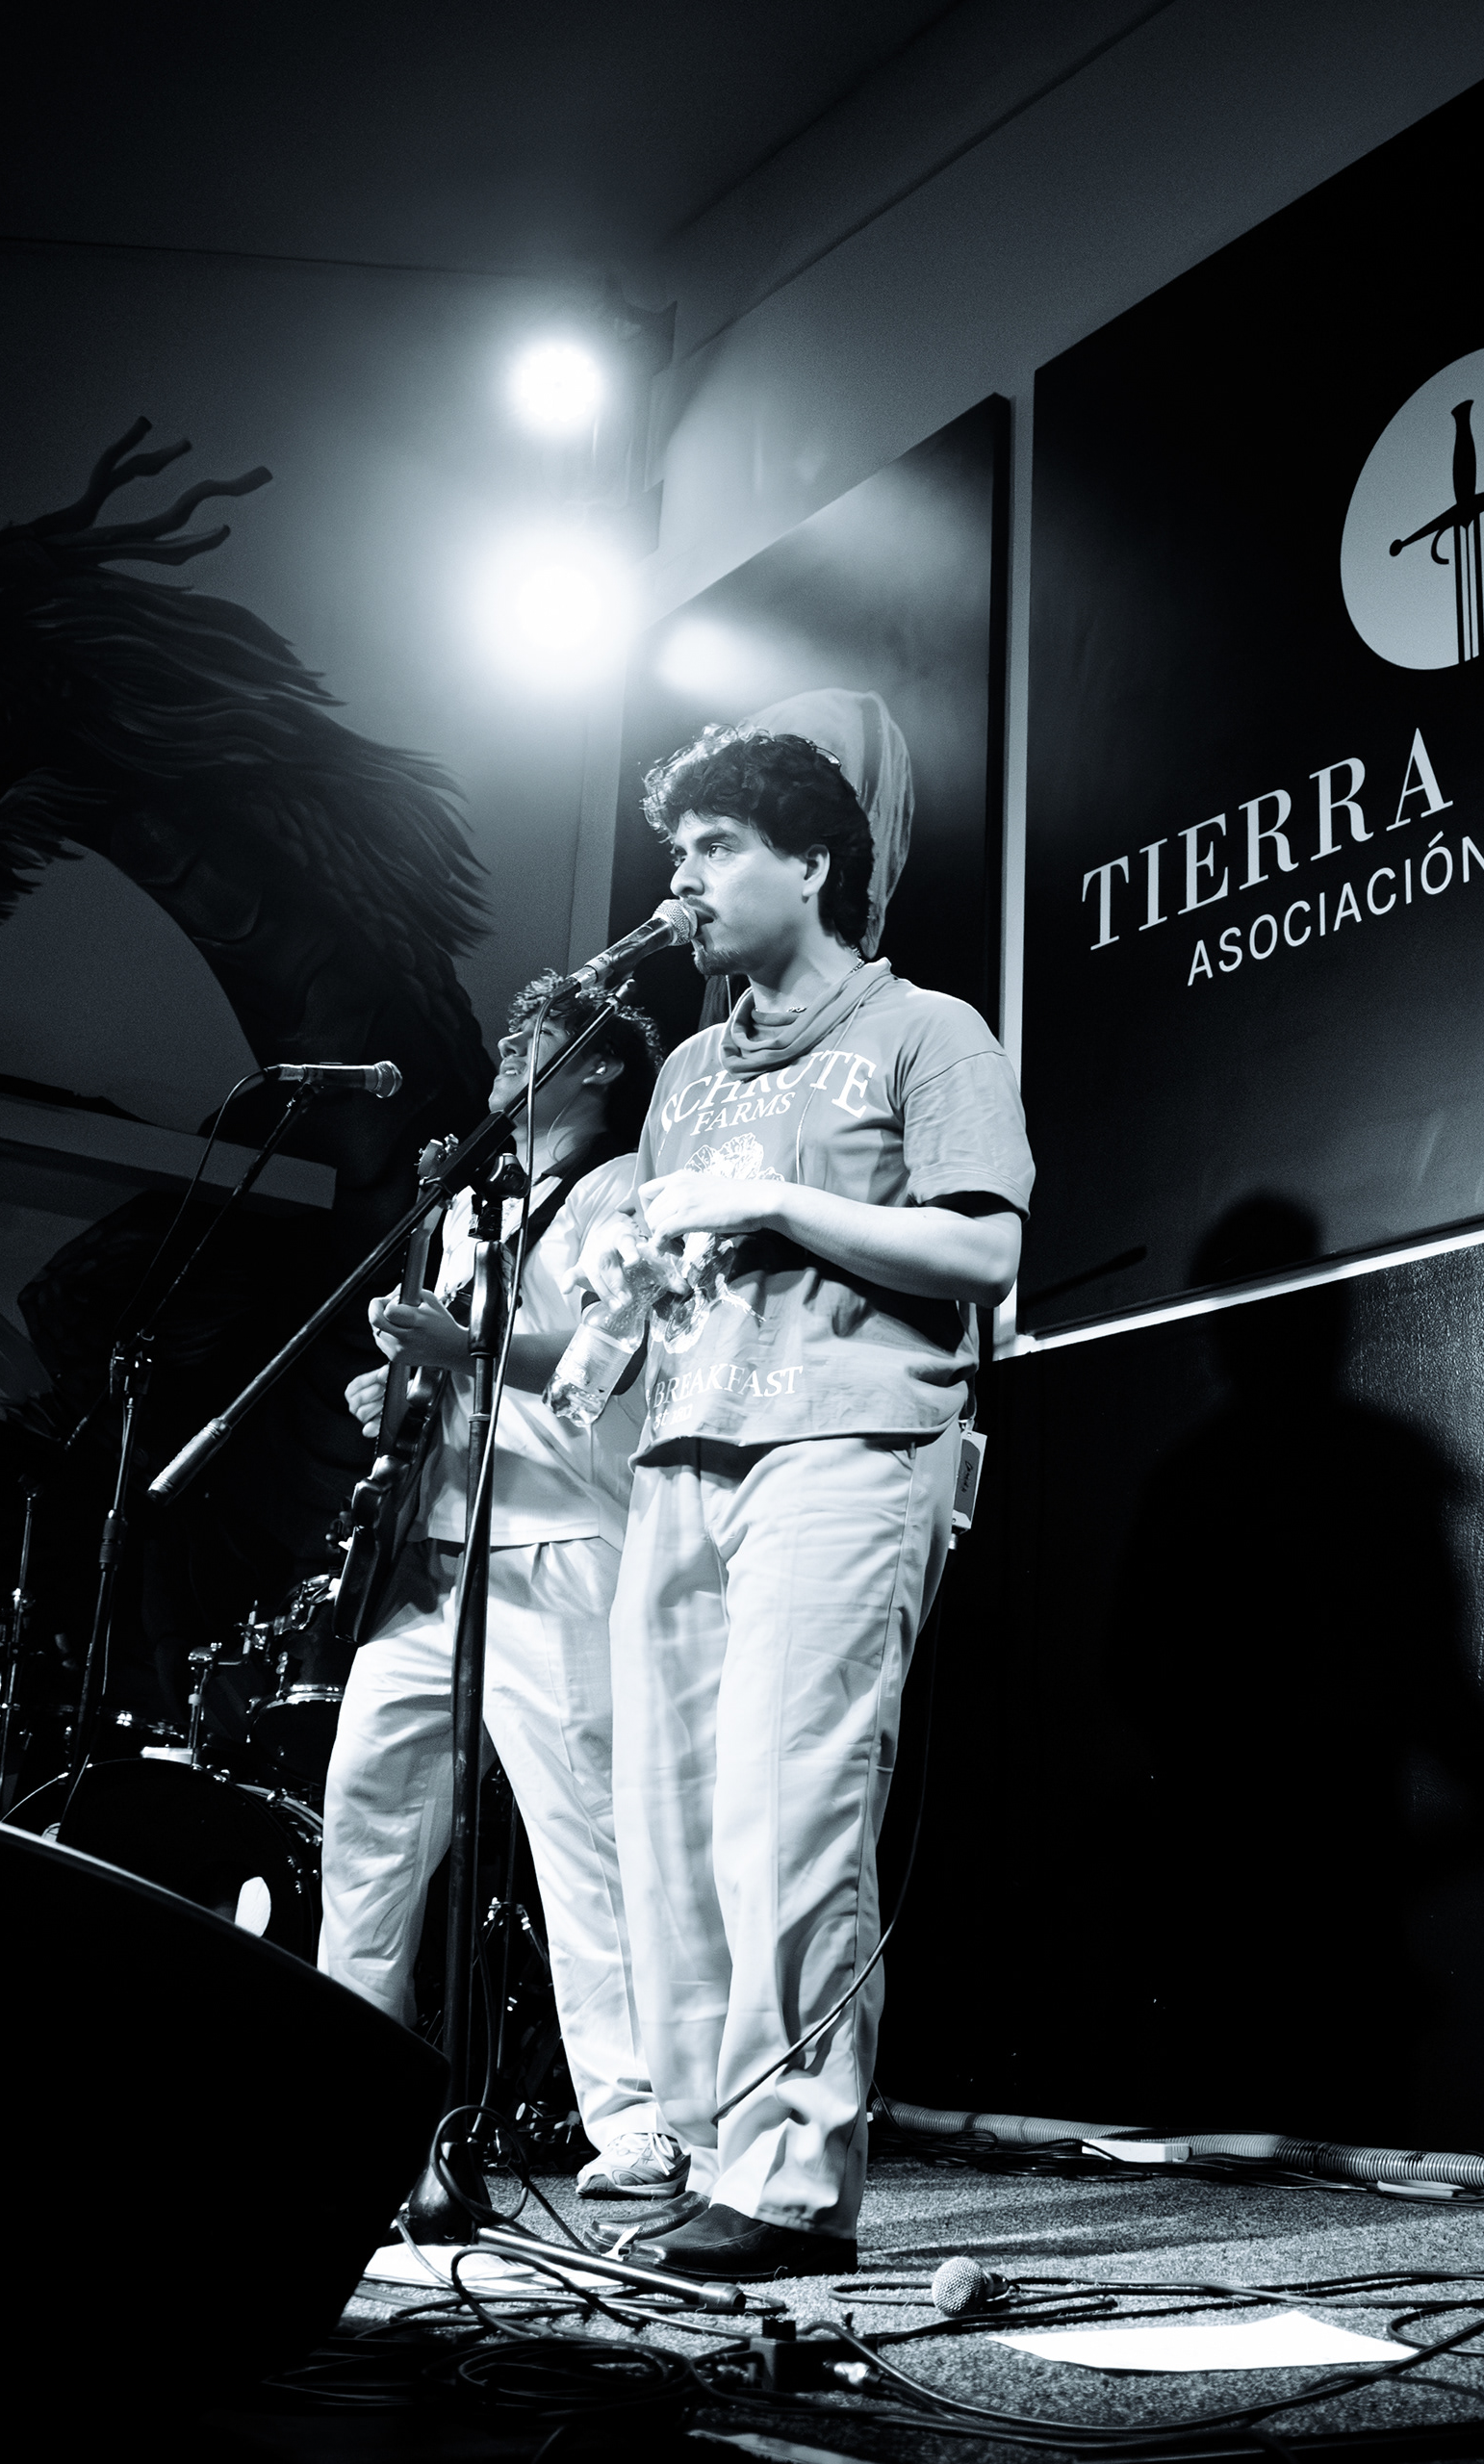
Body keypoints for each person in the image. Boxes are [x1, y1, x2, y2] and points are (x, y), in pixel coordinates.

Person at [586, 726, 1031, 2282]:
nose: (685, 884)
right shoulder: (687, 1072)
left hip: (847, 1446)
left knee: (790, 1815)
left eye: (716, 849)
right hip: (682, 1453)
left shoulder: (925, 1030)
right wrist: (623, 1289)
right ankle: (713, 2152)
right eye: (678, 854)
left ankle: (788, 2181)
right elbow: (670, 1274)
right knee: (670, 1831)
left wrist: (775, 1197)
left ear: (813, 863)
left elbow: (983, 1254)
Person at [318, 974, 680, 2200]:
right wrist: (401, 1395)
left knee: (585, 1837)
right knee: (365, 1830)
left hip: (561, 1547)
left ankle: (639, 2123)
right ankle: (348, 2115)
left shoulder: (626, 1189)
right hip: (433, 1562)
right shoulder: (480, 1209)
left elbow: (622, 1352)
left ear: (598, 1065)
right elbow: (456, 1384)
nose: (506, 1052)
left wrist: (464, 1345)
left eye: (536, 1037)